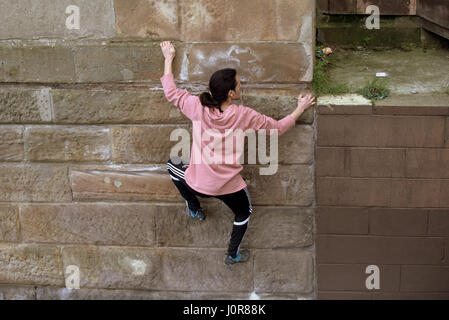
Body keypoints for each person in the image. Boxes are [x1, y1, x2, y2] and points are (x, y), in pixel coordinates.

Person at [159, 41, 316, 265]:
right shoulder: (244, 115)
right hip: (226, 185)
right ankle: (232, 254)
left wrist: (168, 58)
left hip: (198, 182)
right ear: (231, 93)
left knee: (173, 165)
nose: (242, 86)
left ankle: (194, 208)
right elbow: (278, 128)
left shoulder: (197, 106)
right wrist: (300, 108)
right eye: (239, 84)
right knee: (245, 212)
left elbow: (171, 93)